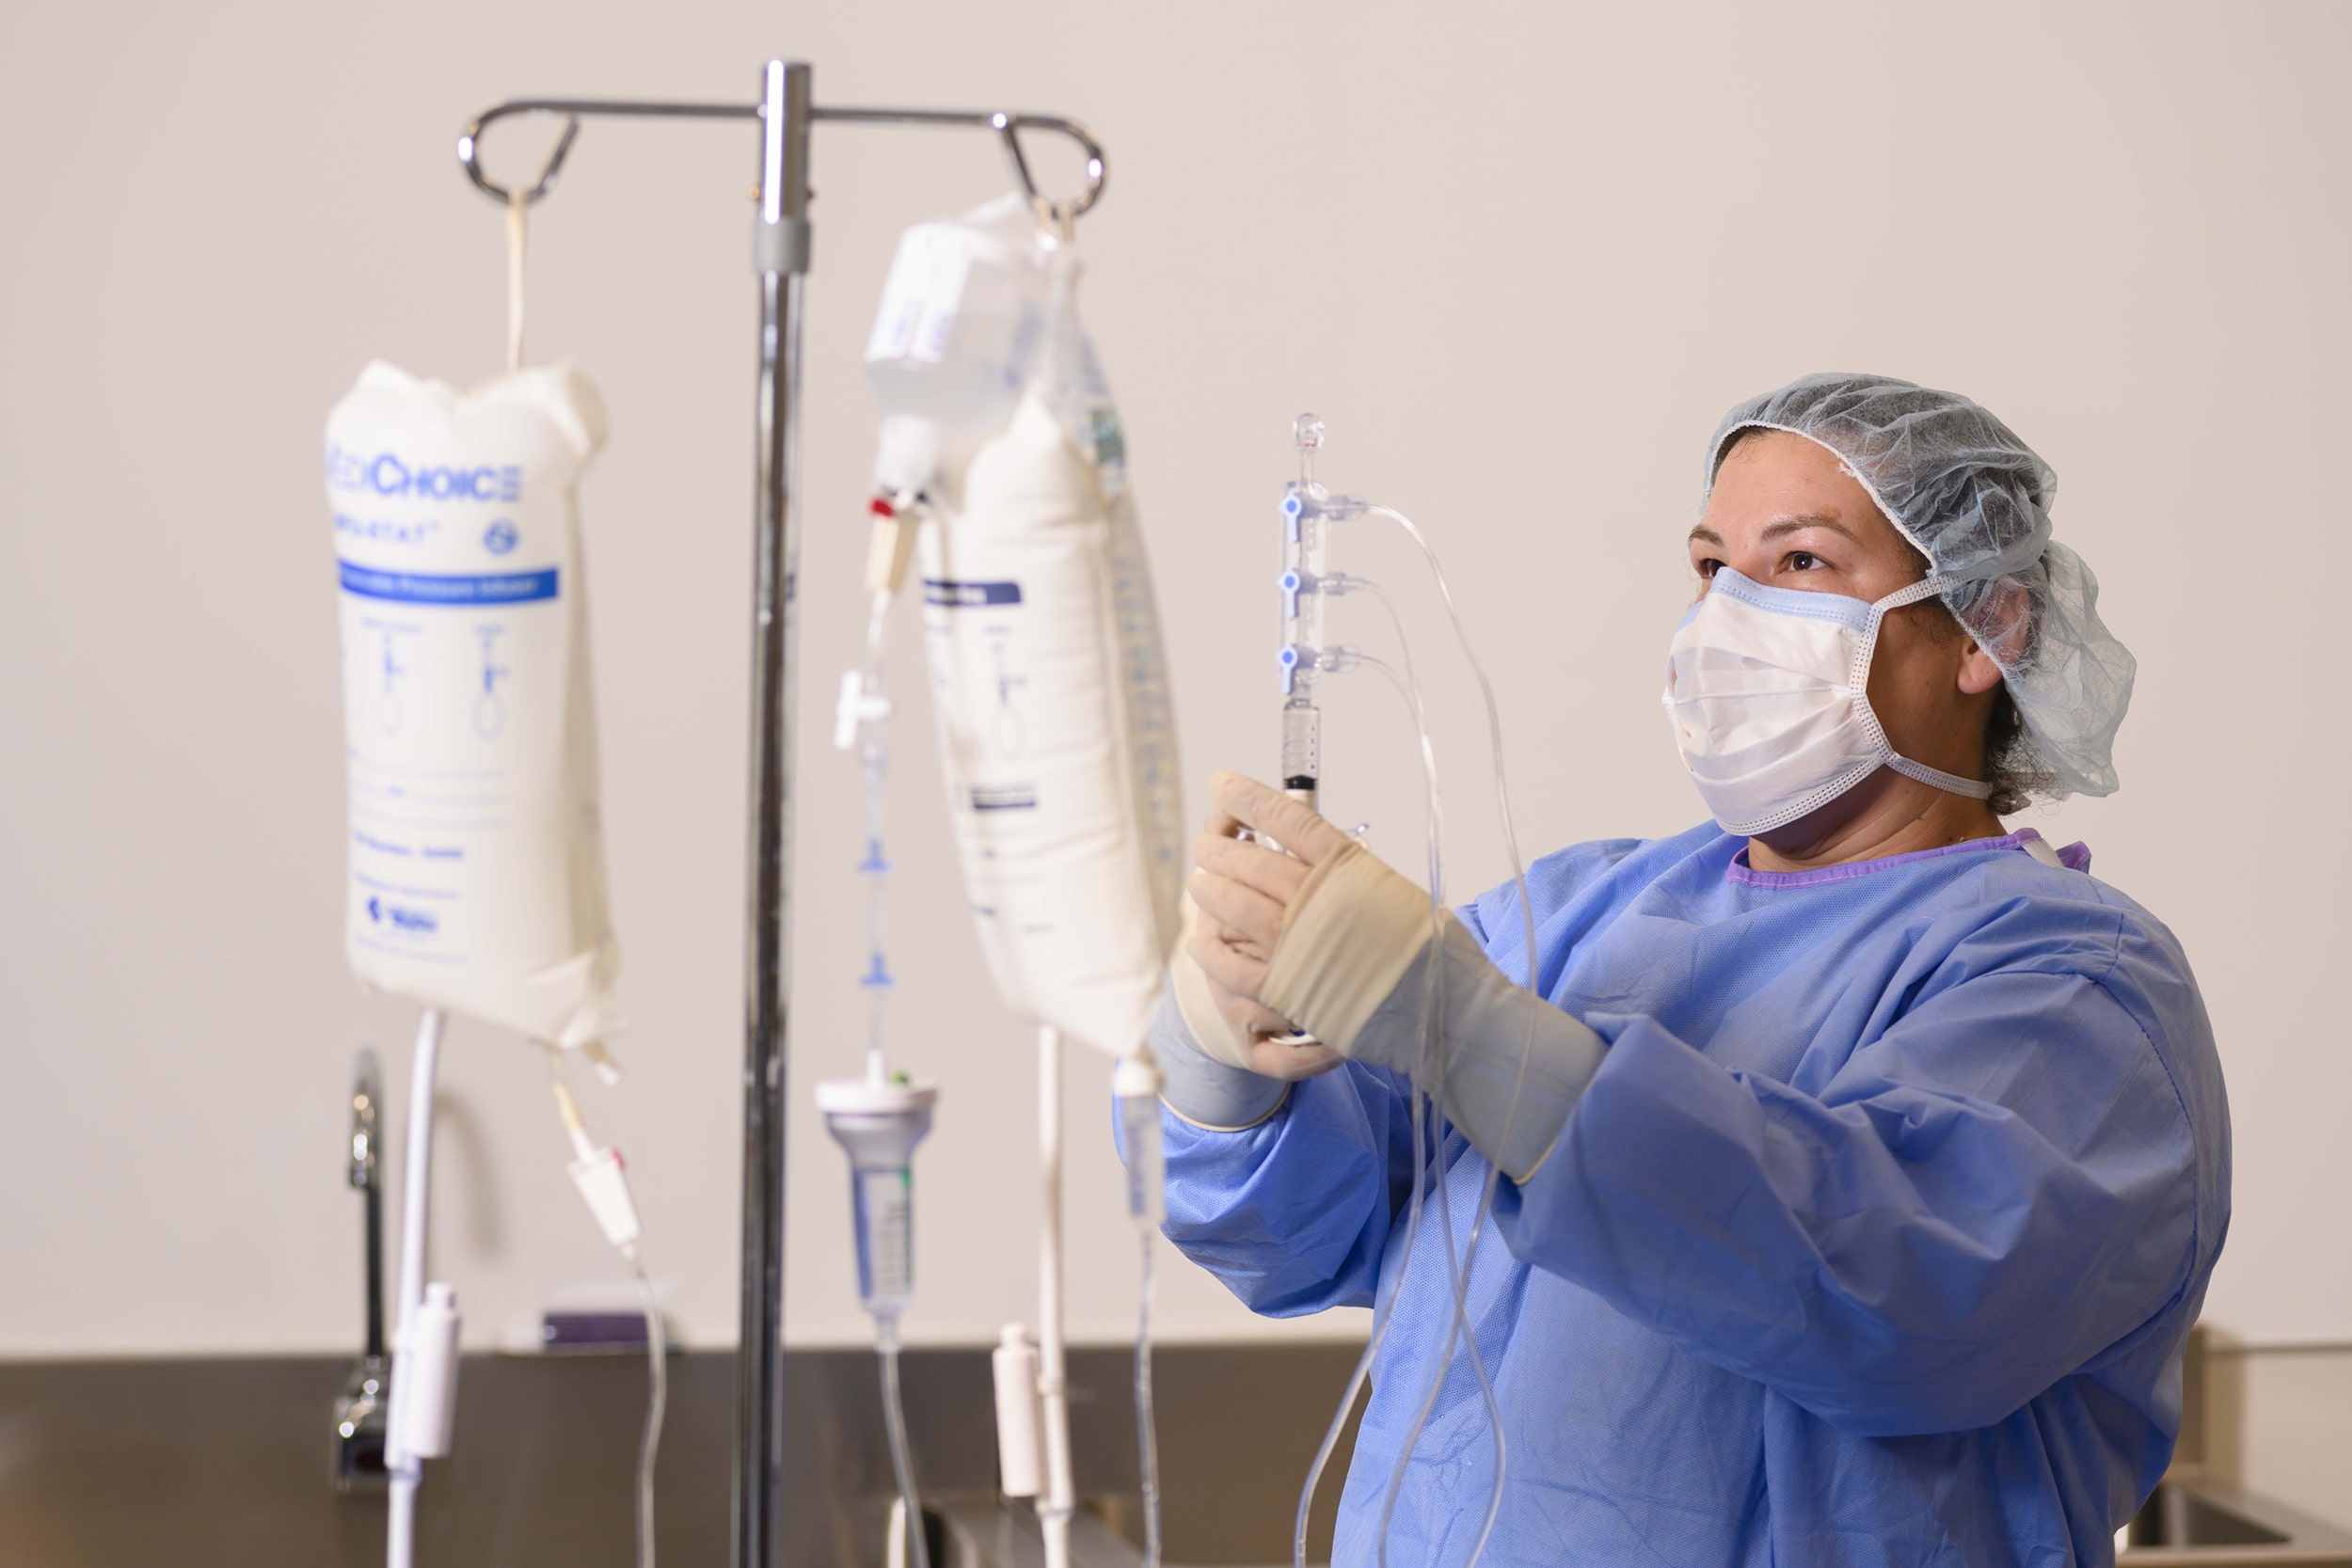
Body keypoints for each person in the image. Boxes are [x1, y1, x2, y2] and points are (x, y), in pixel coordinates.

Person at [1144, 373, 2230, 1566]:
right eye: (1713, 567)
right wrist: (1225, 1045)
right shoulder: (1573, 915)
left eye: (1803, 562)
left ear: (1988, 627)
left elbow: (1898, 1301)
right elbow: (1301, 1236)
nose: (1730, 613)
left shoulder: (2074, 982)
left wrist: (1468, 1033)